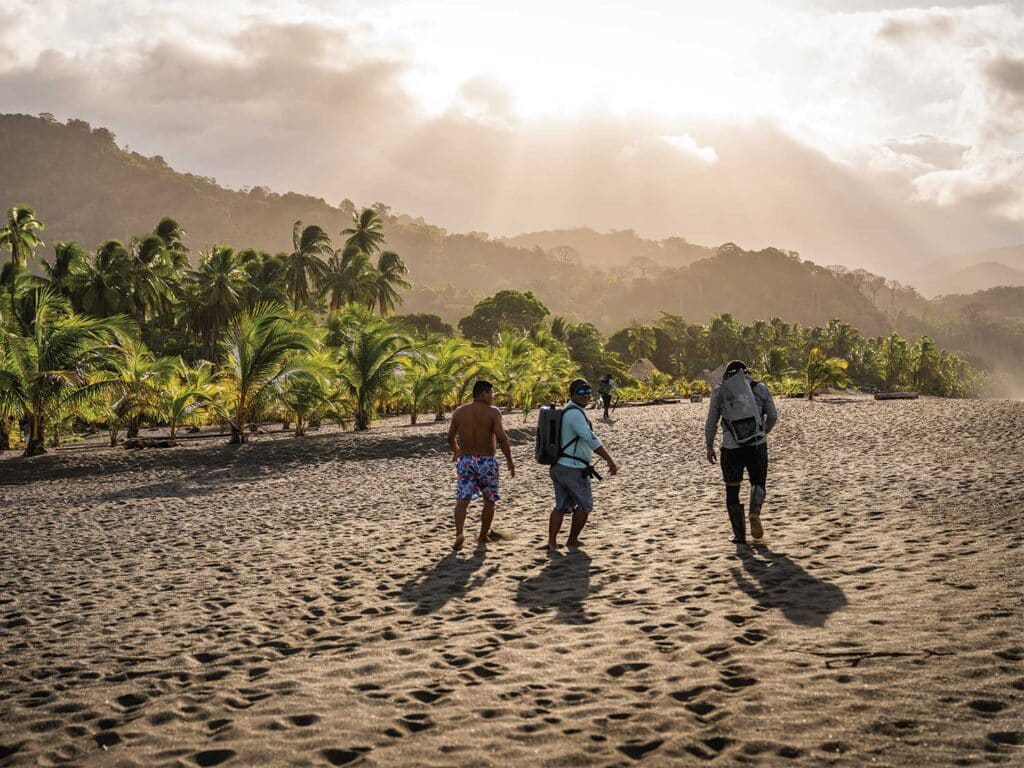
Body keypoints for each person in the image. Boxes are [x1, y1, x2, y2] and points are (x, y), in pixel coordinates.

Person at [705, 360, 778, 544]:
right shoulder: (760, 388)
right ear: (747, 372)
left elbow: (711, 421)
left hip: (731, 447)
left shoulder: (720, 391)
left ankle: (739, 535)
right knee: (758, 481)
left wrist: (709, 445)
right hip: (757, 443)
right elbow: (773, 416)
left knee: (732, 488)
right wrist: (763, 431)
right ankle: (754, 513)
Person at [548, 379, 618, 550]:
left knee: (561, 505)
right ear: (571, 395)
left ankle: (552, 542)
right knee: (585, 505)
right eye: (580, 392)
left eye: (588, 391)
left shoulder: (571, 412)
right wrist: (609, 459)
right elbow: (589, 437)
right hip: (572, 469)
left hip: (560, 466)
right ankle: (571, 539)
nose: (586, 395)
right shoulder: (574, 414)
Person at [448, 380, 515, 550]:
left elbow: (450, 437)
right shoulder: (493, 412)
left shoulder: (459, 412)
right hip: (486, 461)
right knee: (489, 499)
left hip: (466, 460)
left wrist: (456, 450)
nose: (493, 397)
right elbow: (502, 439)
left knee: (462, 500)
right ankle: (483, 536)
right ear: (483, 394)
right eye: (492, 393)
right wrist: (509, 460)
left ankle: (459, 534)